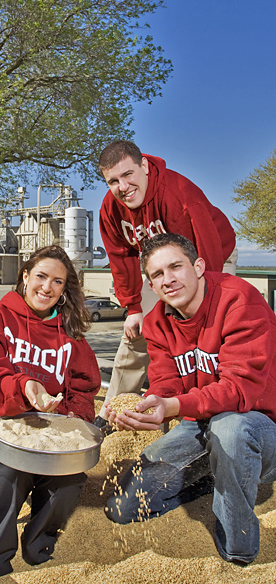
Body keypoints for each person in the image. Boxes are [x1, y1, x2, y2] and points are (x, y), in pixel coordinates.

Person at [104, 233, 276, 565]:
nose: (168, 280)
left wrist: (174, 406)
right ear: (151, 286)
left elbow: (241, 390)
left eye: (175, 267)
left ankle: (238, 550)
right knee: (124, 507)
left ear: (197, 267)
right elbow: (167, 388)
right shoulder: (157, 324)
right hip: (201, 421)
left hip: (259, 423)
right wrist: (146, 407)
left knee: (229, 429)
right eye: (157, 275)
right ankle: (217, 475)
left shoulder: (239, 299)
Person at [0, 245, 101, 578]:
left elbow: (84, 389)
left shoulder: (72, 338)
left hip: (52, 439)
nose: (47, 287)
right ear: (25, 276)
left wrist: (70, 419)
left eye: (57, 282)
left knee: (70, 480)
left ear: (64, 289)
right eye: (41, 276)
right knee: (8, 474)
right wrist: (25, 387)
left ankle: (39, 547)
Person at [94, 139, 236, 429]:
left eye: (128, 174)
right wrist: (134, 306)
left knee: (205, 333)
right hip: (156, 265)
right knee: (135, 332)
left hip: (209, 256)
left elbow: (204, 254)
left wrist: (199, 304)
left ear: (144, 166)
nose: (123, 186)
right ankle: (113, 412)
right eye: (113, 181)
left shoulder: (180, 195)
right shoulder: (111, 210)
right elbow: (120, 256)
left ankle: (202, 413)